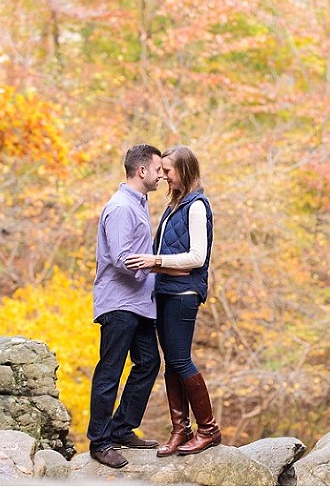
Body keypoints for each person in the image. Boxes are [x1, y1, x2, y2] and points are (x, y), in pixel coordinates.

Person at [125, 145, 221, 456]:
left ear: (186, 169)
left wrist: (155, 261)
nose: (163, 176)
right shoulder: (175, 205)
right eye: (162, 170)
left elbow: (197, 257)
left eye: (168, 170)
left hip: (183, 294)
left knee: (181, 360)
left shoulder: (196, 206)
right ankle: (181, 428)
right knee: (171, 363)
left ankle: (208, 429)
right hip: (165, 291)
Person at [87, 143, 163, 469]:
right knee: (110, 372)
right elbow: (120, 258)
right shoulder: (121, 207)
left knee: (148, 363)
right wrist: (160, 264)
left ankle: (120, 428)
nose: (162, 175)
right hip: (119, 303)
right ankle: (99, 442)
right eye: (158, 169)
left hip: (139, 303)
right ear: (142, 170)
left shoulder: (138, 204)